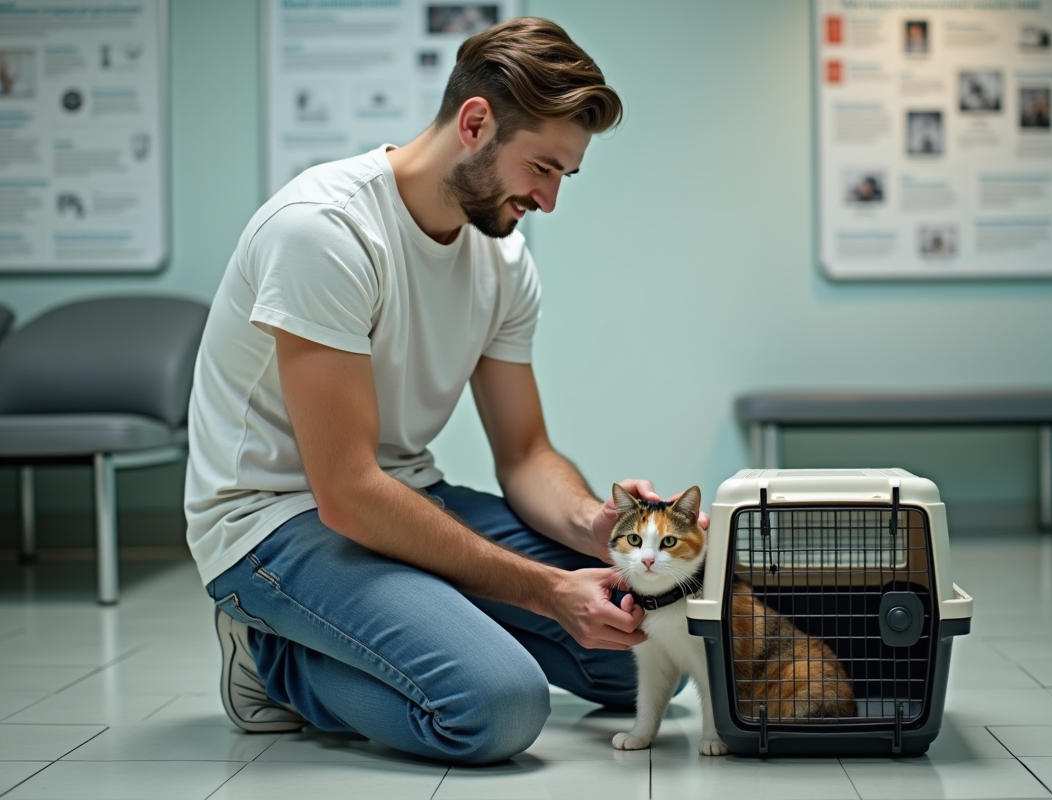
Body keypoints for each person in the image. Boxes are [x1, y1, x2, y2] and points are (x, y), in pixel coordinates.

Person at [185, 17, 704, 765]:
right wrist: (542, 592)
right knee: (494, 706)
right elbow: (347, 492)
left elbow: (525, 452)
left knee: (634, 646)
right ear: (475, 122)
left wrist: (593, 524)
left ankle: (415, 612)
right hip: (276, 522)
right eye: (542, 167)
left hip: (405, 496)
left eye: (564, 175)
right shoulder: (325, 232)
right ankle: (275, 659)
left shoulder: (504, 261)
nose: (550, 199)